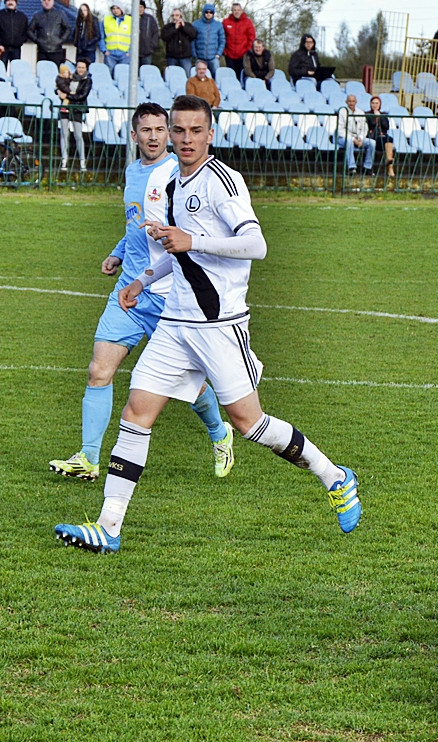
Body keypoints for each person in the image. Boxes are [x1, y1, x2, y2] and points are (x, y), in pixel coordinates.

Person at [54, 94, 362, 554]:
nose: (184, 139)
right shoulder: (172, 185)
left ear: (210, 132)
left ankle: (334, 476)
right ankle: (109, 527)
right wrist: (141, 279)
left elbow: (255, 245)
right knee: (136, 413)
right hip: (176, 322)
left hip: (219, 324)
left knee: (249, 423)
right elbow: (177, 252)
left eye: (194, 131)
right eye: (178, 130)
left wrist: (191, 238)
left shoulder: (224, 180)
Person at [48, 102, 234, 487]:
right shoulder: (133, 171)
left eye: (159, 129)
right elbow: (135, 223)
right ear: (134, 135)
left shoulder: (177, 175)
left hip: (169, 292)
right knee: (99, 369)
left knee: (189, 384)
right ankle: (88, 457)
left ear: (168, 133)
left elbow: (184, 230)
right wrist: (118, 253)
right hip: (128, 290)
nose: (153, 136)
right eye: (145, 130)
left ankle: (220, 433)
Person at [55, 59, 90, 173]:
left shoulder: (87, 81)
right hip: (66, 108)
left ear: (86, 69)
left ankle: (82, 161)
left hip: (77, 108)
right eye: (79, 67)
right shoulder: (70, 77)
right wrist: (57, 91)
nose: (80, 70)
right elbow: (60, 86)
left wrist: (67, 96)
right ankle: (64, 159)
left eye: (82, 68)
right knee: (64, 133)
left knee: (78, 135)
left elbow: (82, 95)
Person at [27, 0, 72, 65]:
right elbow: (29, 30)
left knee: (56, 73)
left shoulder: (60, 14)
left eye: (49, 0)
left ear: (53, 2)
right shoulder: (37, 15)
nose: (47, 2)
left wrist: (61, 40)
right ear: (42, 2)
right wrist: (37, 40)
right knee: (42, 72)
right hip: (42, 51)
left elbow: (68, 29)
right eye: (44, 0)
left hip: (56, 51)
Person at [342, 93, 374, 176]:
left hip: (358, 137)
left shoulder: (360, 112)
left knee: (372, 143)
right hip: (344, 137)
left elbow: (364, 128)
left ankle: (367, 167)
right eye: (349, 101)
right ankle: (351, 167)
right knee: (349, 141)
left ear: (356, 102)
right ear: (346, 102)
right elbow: (340, 130)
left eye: (353, 101)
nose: (351, 103)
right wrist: (353, 140)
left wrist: (360, 138)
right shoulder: (342, 112)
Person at [222, 2, 254, 81]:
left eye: (238, 10)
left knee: (242, 75)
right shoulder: (225, 22)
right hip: (229, 55)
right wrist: (224, 51)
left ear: (241, 11)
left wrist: (247, 50)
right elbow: (221, 37)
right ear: (232, 11)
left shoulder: (247, 22)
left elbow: (252, 37)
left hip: (243, 54)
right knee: (231, 75)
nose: (236, 12)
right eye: (235, 10)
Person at [365, 94, 394, 178]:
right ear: (370, 104)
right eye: (373, 103)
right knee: (385, 141)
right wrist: (375, 116)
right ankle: (390, 166)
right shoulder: (367, 114)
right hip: (372, 137)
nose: (374, 105)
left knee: (389, 139)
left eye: (376, 103)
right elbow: (370, 125)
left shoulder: (383, 114)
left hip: (383, 137)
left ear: (380, 104)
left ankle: (389, 161)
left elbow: (386, 126)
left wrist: (380, 117)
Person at [162, 8, 195, 76]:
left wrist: (184, 27)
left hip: (185, 57)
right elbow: (164, 37)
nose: (174, 17)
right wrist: (175, 28)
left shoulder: (188, 25)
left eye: (177, 15)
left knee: (187, 76)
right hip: (172, 57)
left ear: (181, 16)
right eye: (173, 15)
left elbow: (193, 35)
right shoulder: (167, 27)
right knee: (172, 77)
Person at [192, 3, 224, 73]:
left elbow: (222, 41)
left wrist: (218, 54)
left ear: (213, 13)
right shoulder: (195, 24)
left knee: (216, 76)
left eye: (211, 12)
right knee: (199, 77)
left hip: (214, 58)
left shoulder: (218, 25)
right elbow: (192, 41)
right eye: (207, 12)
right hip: (200, 58)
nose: (208, 14)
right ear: (203, 12)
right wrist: (195, 55)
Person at [100, 2, 130, 72]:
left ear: (121, 9)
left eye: (118, 8)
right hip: (110, 53)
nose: (115, 10)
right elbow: (101, 36)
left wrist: (130, 51)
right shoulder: (106, 20)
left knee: (123, 75)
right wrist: (104, 50)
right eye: (113, 8)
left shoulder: (130, 20)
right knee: (109, 74)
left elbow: (134, 37)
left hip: (124, 54)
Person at [0, 0, 29, 66]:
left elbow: (26, 31)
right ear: (5, 2)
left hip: (16, 49)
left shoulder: (22, 17)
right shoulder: (1, 15)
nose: (10, 2)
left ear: (16, 2)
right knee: (1, 71)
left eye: (12, 0)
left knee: (16, 69)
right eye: (8, 0)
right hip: (3, 49)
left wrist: (20, 41)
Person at [136, 0, 159, 66]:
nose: (139, 9)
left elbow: (156, 33)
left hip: (146, 52)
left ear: (144, 8)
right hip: (132, 52)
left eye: (141, 7)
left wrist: (151, 45)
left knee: (146, 71)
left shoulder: (150, 19)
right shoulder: (129, 18)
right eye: (137, 7)